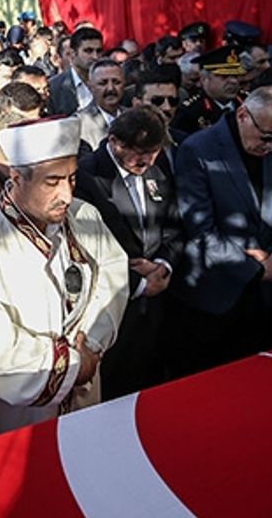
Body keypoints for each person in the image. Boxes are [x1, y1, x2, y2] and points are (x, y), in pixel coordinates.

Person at [0, 116, 128, 443]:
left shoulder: (85, 216)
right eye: (53, 181)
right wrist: (69, 366)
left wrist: (91, 347)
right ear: (16, 177)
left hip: (85, 387)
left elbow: (113, 279)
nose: (67, 195)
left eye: (72, 179)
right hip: (8, 413)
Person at [170, 87, 272, 374]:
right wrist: (254, 267)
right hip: (211, 295)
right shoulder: (198, 149)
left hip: (263, 295)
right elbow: (199, 230)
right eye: (268, 137)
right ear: (243, 115)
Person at [75, 107, 183, 397]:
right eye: (139, 152)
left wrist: (163, 264)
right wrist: (139, 283)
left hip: (156, 306)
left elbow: (173, 225)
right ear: (114, 142)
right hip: (113, 310)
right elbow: (86, 250)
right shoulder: (86, 176)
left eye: (154, 152)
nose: (147, 160)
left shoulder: (158, 169)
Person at [172, 45, 246, 134]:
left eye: (236, 76)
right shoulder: (190, 111)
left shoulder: (248, 101)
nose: (233, 81)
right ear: (204, 80)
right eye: (224, 76)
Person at [47, 27, 103, 116]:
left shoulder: (111, 81)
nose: (95, 57)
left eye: (99, 51)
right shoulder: (54, 87)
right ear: (73, 53)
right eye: (88, 51)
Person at [75, 58, 124, 153]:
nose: (110, 88)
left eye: (116, 82)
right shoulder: (79, 123)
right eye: (103, 83)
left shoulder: (134, 117)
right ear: (90, 87)